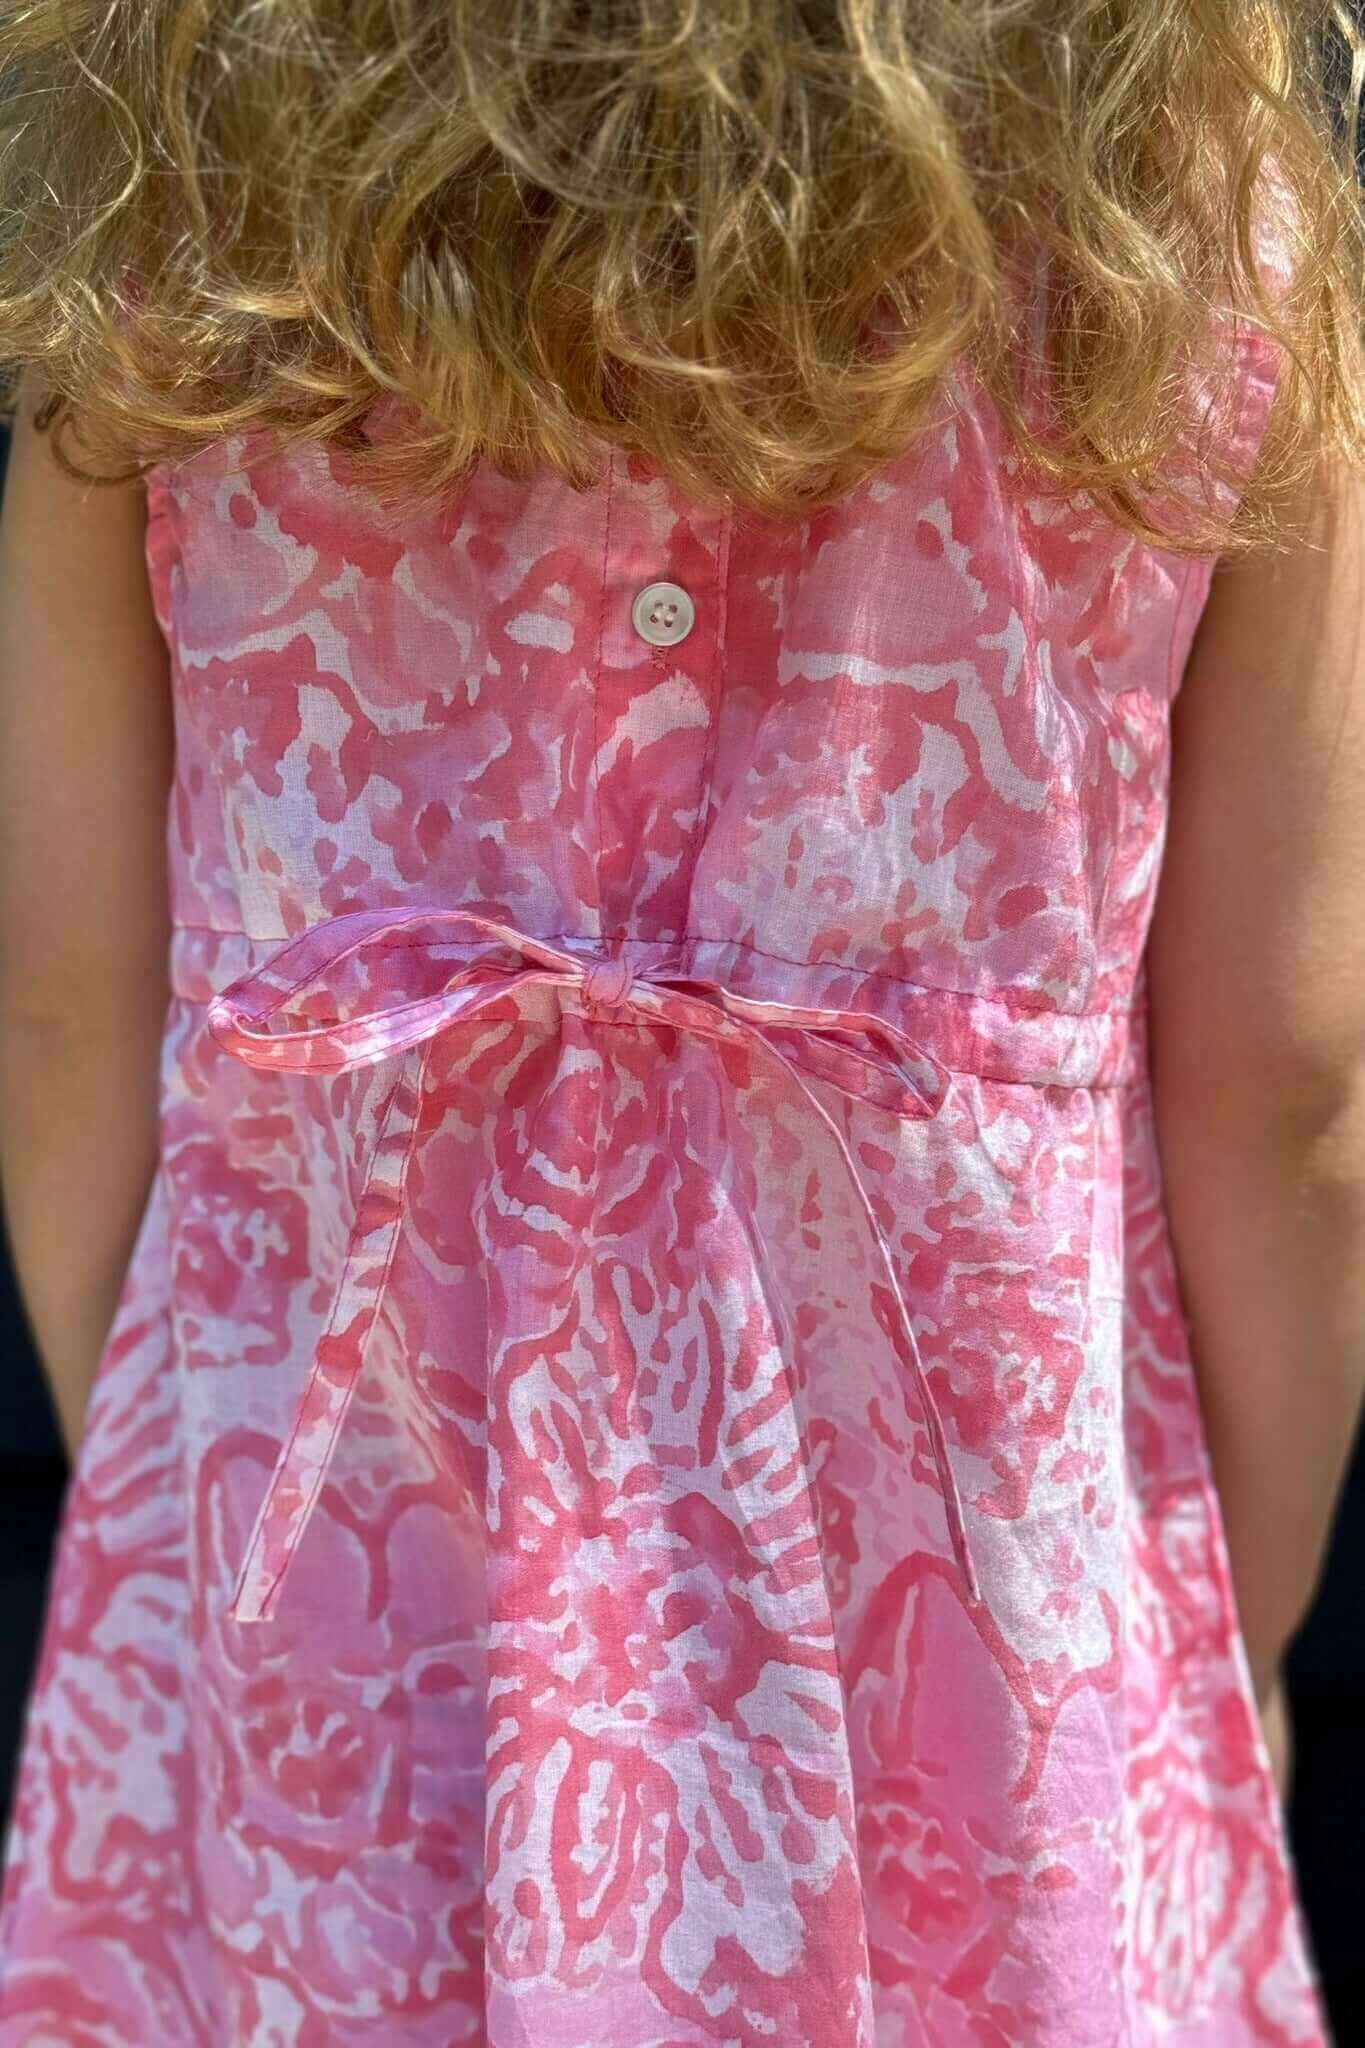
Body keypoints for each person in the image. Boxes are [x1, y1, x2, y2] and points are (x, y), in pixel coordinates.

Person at [0, 1, 1363, 2042]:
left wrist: (174, 1502)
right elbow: (1285, 1084)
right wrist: (1208, 1628)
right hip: (977, 1672)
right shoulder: (1189, 197)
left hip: (326, 1629)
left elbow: (61, 999)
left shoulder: (175, 142)